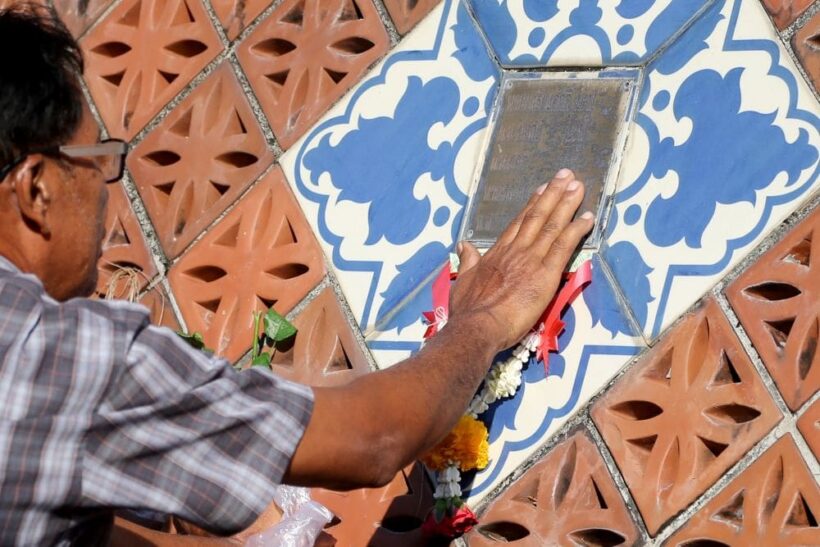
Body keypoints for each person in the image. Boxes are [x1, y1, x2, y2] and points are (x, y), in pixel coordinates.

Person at [0, 4, 594, 545]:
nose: (109, 195)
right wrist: (483, 319)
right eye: (98, 163)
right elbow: (375, 440)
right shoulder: (59, 359)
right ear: (35, 189)